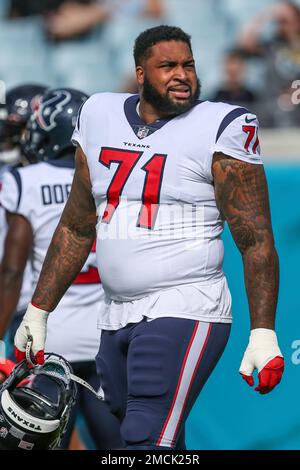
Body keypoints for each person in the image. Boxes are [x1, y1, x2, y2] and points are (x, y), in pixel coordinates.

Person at [13, 25, 284, 450]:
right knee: (144, 438)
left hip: (186, 304)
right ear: (140, 74)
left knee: (144, 438)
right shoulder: (99, 114)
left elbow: (255, 238)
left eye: (189, 65)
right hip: (115, 313)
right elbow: (77, 225)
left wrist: (263, 331)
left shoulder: (221, 126)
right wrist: (39, 310)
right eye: (168, 66)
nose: (182, 75)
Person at [0, 87, 122, 450]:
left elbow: (11, 269)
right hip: (108, 331)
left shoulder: (24, 180)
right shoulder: (116, 174)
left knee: (32, 443)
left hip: (48, 332)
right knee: (123, 448)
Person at [0, 84, 47, 343]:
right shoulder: (13, 176)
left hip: (26, 307)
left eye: (14, 128)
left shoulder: (27, 182)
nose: (6, 135)